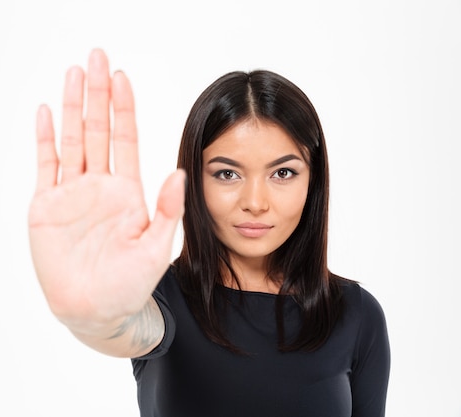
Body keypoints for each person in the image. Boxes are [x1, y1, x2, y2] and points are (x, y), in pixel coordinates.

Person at [28, 48, 391, 417]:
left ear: (312, 182)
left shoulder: (357, 316)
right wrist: (92, 314)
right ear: (195, 180)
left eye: (282, 173)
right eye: (227, 173)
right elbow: (124, 326)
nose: (255, 202)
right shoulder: (160, 298)